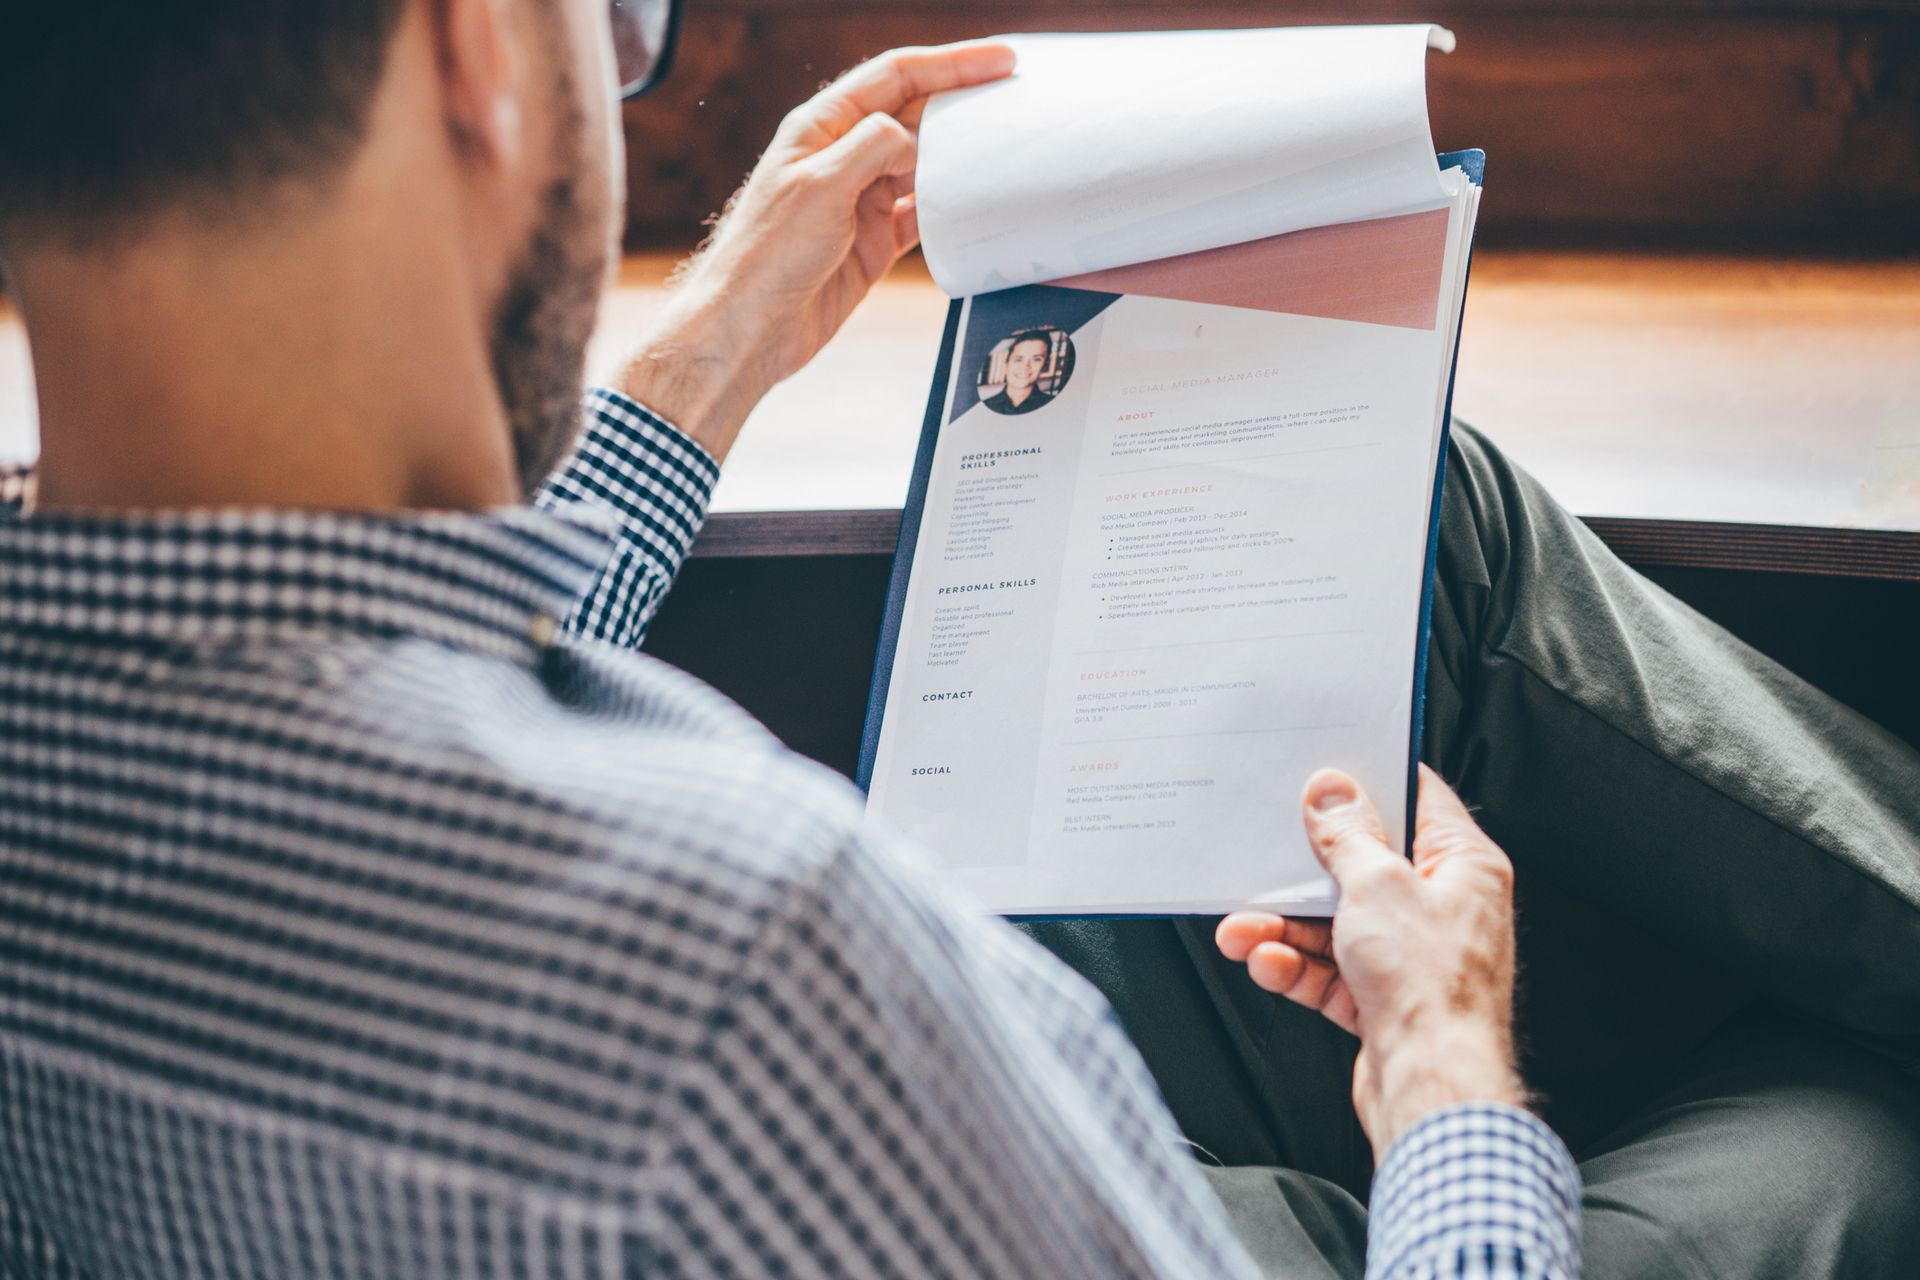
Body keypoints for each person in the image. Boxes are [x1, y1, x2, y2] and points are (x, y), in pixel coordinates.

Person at [0, 4, 1916, 1279]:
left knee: (1427, 515)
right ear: (476, 54)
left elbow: (332, 671)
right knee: (1852, 1145)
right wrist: (1444, 1081)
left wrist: (700, 365)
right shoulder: (747, 971)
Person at [982, 328, 1059, 414]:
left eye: (1036, 359)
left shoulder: (1054, 406)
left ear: (1045, 365)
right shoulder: (985, 405)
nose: (1025, 366)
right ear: (1007, 362)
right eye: (1019, 359)